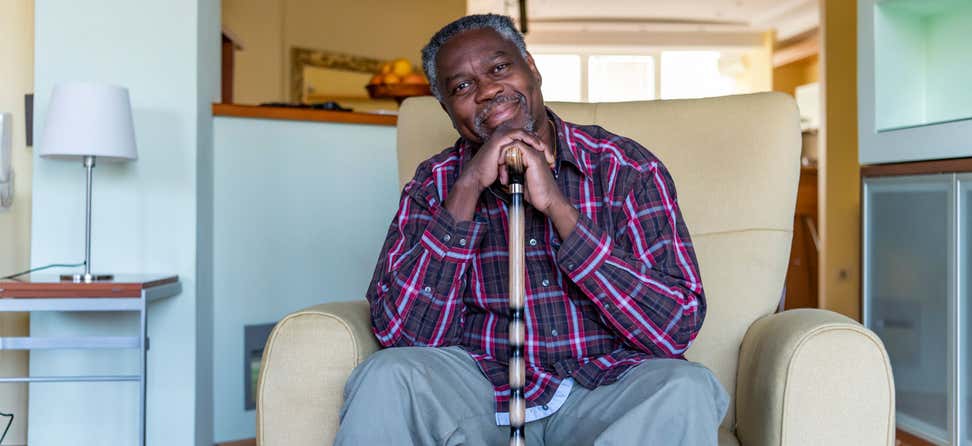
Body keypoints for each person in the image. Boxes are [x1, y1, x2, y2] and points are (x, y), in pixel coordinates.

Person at [336, 14, 728, 446]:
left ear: (532, 68)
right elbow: (405, 337)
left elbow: (673, 329)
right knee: (386, 375)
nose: (486, 90)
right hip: (482, 390)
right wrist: (467, 187)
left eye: (500, 68)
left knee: (686, 385)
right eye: (462, 87)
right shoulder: (433, 185)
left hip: (603, 386)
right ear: (447, 111)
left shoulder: (626, 167)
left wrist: (559, 208)